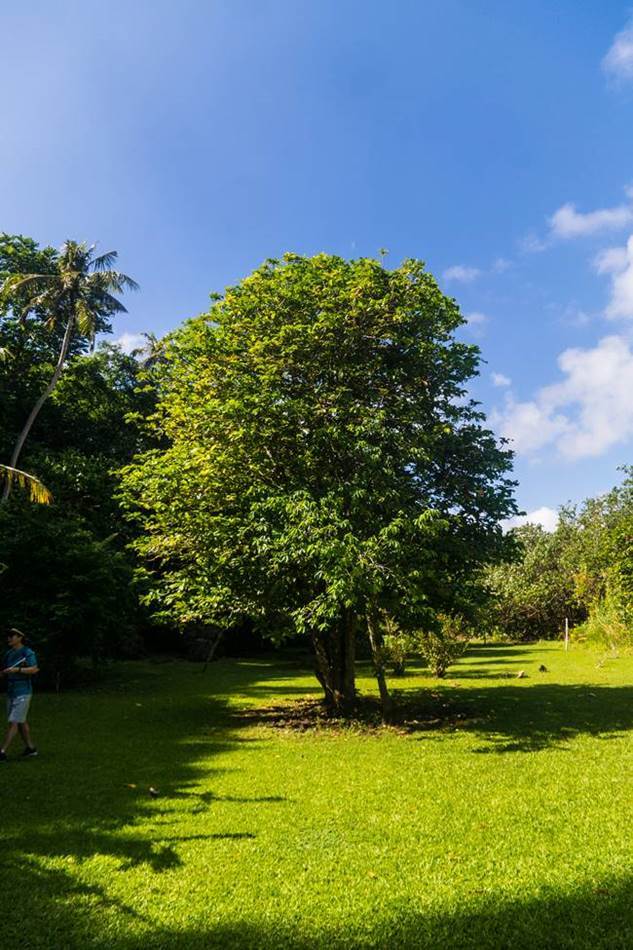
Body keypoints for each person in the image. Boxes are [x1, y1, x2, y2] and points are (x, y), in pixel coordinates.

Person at [0, 628, 39, 761]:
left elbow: (34, 669)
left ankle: (2, 751)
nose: (9, 638)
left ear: (20, 637)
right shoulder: (9, 654)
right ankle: (30, 748)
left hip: (23, 691)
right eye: (8, 636)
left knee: (14, 721)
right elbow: (4, 671)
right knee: (21, 721)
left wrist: (17, 669)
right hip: (11, 691)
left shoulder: (27, 652)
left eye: (12, 636)